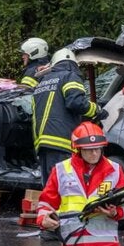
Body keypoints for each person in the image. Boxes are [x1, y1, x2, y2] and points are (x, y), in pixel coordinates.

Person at [33, 48, 103, 189]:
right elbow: (75, 103)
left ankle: (52, 211)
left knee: (50, 188)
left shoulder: (42, 82)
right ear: (73, 64)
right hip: (61, 141)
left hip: (42, 143)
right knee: (65, 187)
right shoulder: (69, 76)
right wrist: (97, 110)